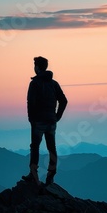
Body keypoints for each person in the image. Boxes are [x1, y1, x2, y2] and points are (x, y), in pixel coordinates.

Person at [22, 56, 68, 186]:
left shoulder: (35, 83)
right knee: (51, 148)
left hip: (38, 121)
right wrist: (57, 116)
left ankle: (33, 174)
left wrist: (31, 119)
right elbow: (63, 101)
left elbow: (30, 103)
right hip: (51, 121)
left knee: (35, 147)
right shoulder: (54, 84)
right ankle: (51, 176)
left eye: (35, 65)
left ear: (37, 67)